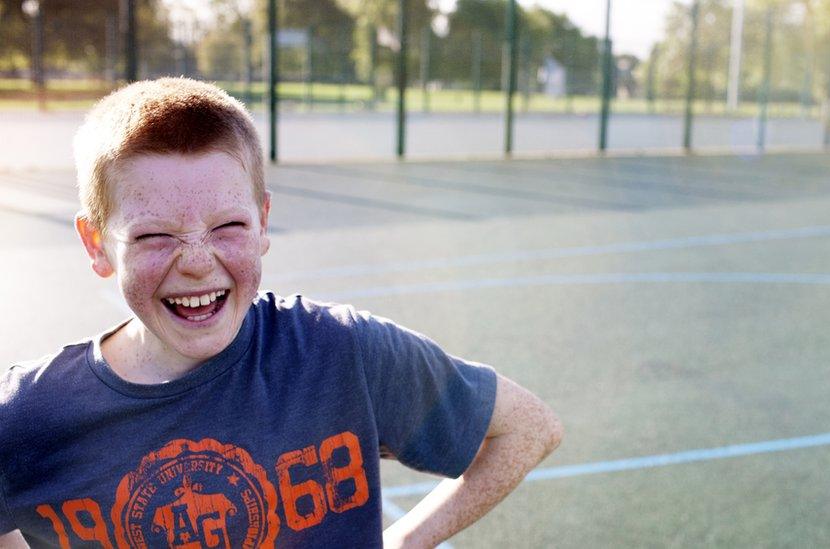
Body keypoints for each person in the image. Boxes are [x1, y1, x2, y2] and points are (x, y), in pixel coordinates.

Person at [0, 78, 562, 548]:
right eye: (153, 235)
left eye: (229, 227)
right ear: (96, 243)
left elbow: (527, 428)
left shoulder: (342, 353)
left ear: (263, 222)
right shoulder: (27, 417)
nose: (197, 262)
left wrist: (403, 542)